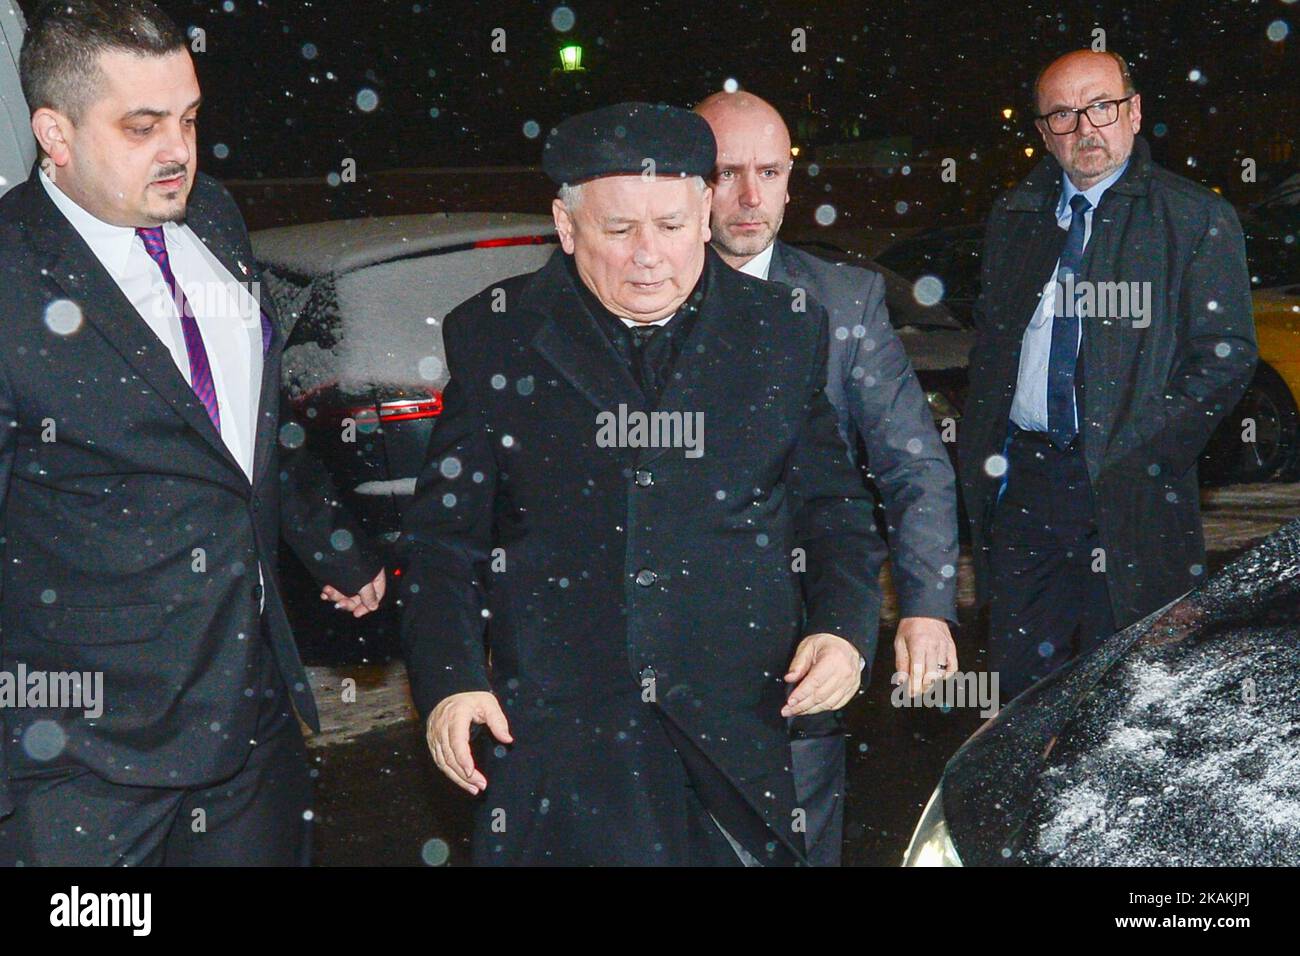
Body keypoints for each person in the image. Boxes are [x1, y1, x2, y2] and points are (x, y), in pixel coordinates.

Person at [400, 101, 885, 865]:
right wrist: (453, 681)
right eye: (619, 231)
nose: (648, 256)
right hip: (563, 746)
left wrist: (844, 628)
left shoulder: (784, 329)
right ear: (566, 228)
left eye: (668, 225)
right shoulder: (496, 335)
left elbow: (835, 511)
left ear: (703, 215)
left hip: (738, 739)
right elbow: (440, 543)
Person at [0, 0, 384, 866]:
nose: (178, 150)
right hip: (80, 758)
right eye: (141, 126)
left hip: (250, 717)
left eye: (189, 117)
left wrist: (329, 541)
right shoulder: (10, 280)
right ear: (54, 136)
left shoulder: (210, 217)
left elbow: (243, 423)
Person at [695, 90, 960, 866]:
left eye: (769, 172)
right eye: (726, 173)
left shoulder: (843, 300)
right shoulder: (640, 292)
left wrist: (928, 605)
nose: (749, 197)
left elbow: (913, 462)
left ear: (790, 180)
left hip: (809, 627)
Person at [958, 50, 1257, 700]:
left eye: (1101, 106)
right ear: (1041, 132)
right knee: (1022, 699)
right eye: (1062, 115)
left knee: (1126, 699)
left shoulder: (1194, 219)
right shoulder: (1016, 218)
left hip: (1128, 493)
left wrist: (1135, 452)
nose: (1084, 128)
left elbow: (1225, 359)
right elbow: (995, 354)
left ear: (1134, 110)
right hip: (1026, 488)